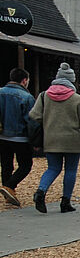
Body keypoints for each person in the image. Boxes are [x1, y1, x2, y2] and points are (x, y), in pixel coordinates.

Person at [29, 62, 80, 214]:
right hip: (72, 140)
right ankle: (65, 202)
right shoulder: (76, 98)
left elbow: (34, 115)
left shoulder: (44, 96)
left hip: (51, 139)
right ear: (71, 81)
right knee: (70, 170)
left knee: (53, 168)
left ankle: (41, 191)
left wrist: (48, 123)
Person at [0, 67, 36, 206]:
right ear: (24, 80)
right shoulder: (27, 97)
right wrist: (35, 139)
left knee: (6, 164)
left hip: (2, 135)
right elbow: (31, 120)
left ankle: (8, 192)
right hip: (20, 137)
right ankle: (9, 186)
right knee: (26, 165)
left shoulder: (1, 92)